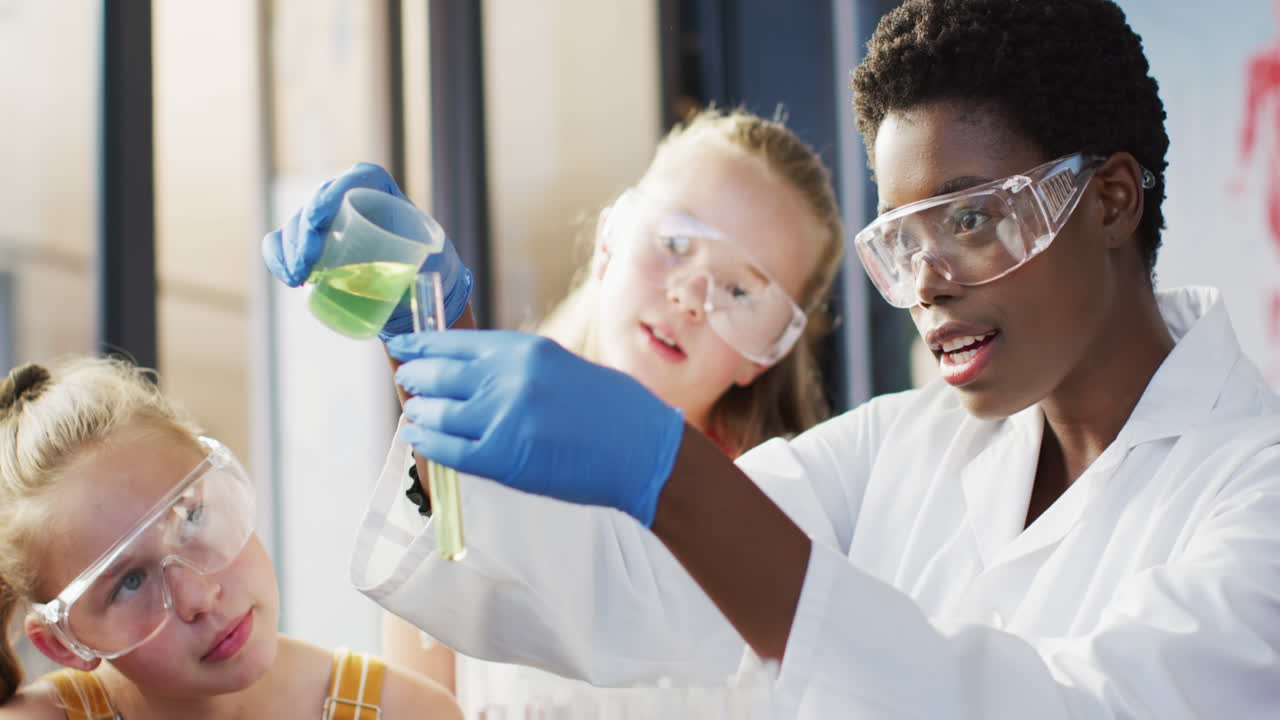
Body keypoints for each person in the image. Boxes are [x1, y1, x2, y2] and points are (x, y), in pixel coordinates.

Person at [331, 0, 1280, 717]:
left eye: (970, 219)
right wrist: (434, 347)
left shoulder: (1256, 492)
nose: (928, 284)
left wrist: (673, 475)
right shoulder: (894, 450)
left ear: (1111, 201)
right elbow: (632, 593)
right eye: (902, 242)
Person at [264, 106, 845, 714]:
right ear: (608, 242)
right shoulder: (460, 488)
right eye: (675, 242)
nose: (690, 297)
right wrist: (432, 323)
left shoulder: (791, 533)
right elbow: (418, 699)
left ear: (767, 355)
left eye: (742, 291)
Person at [0, 357, 462, 720]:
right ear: (64, 644)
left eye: (192, 518)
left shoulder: (409, 713)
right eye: (130, 582)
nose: (198, 596)